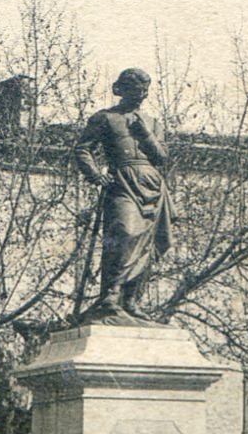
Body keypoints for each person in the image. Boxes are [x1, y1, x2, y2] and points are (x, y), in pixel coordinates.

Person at [73, 67, 173, 322]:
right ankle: (110, 295)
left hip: (152, 184)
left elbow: (161, 157)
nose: (142, 95)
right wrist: (96, 175)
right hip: (123, 182)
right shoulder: (105, 118)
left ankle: (130, 299)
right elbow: (83, 149)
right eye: (137, 90)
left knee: (148, 245)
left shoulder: (152, 123)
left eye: (145, 91)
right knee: (124, 233)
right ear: (123, 89)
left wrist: (145, 134)